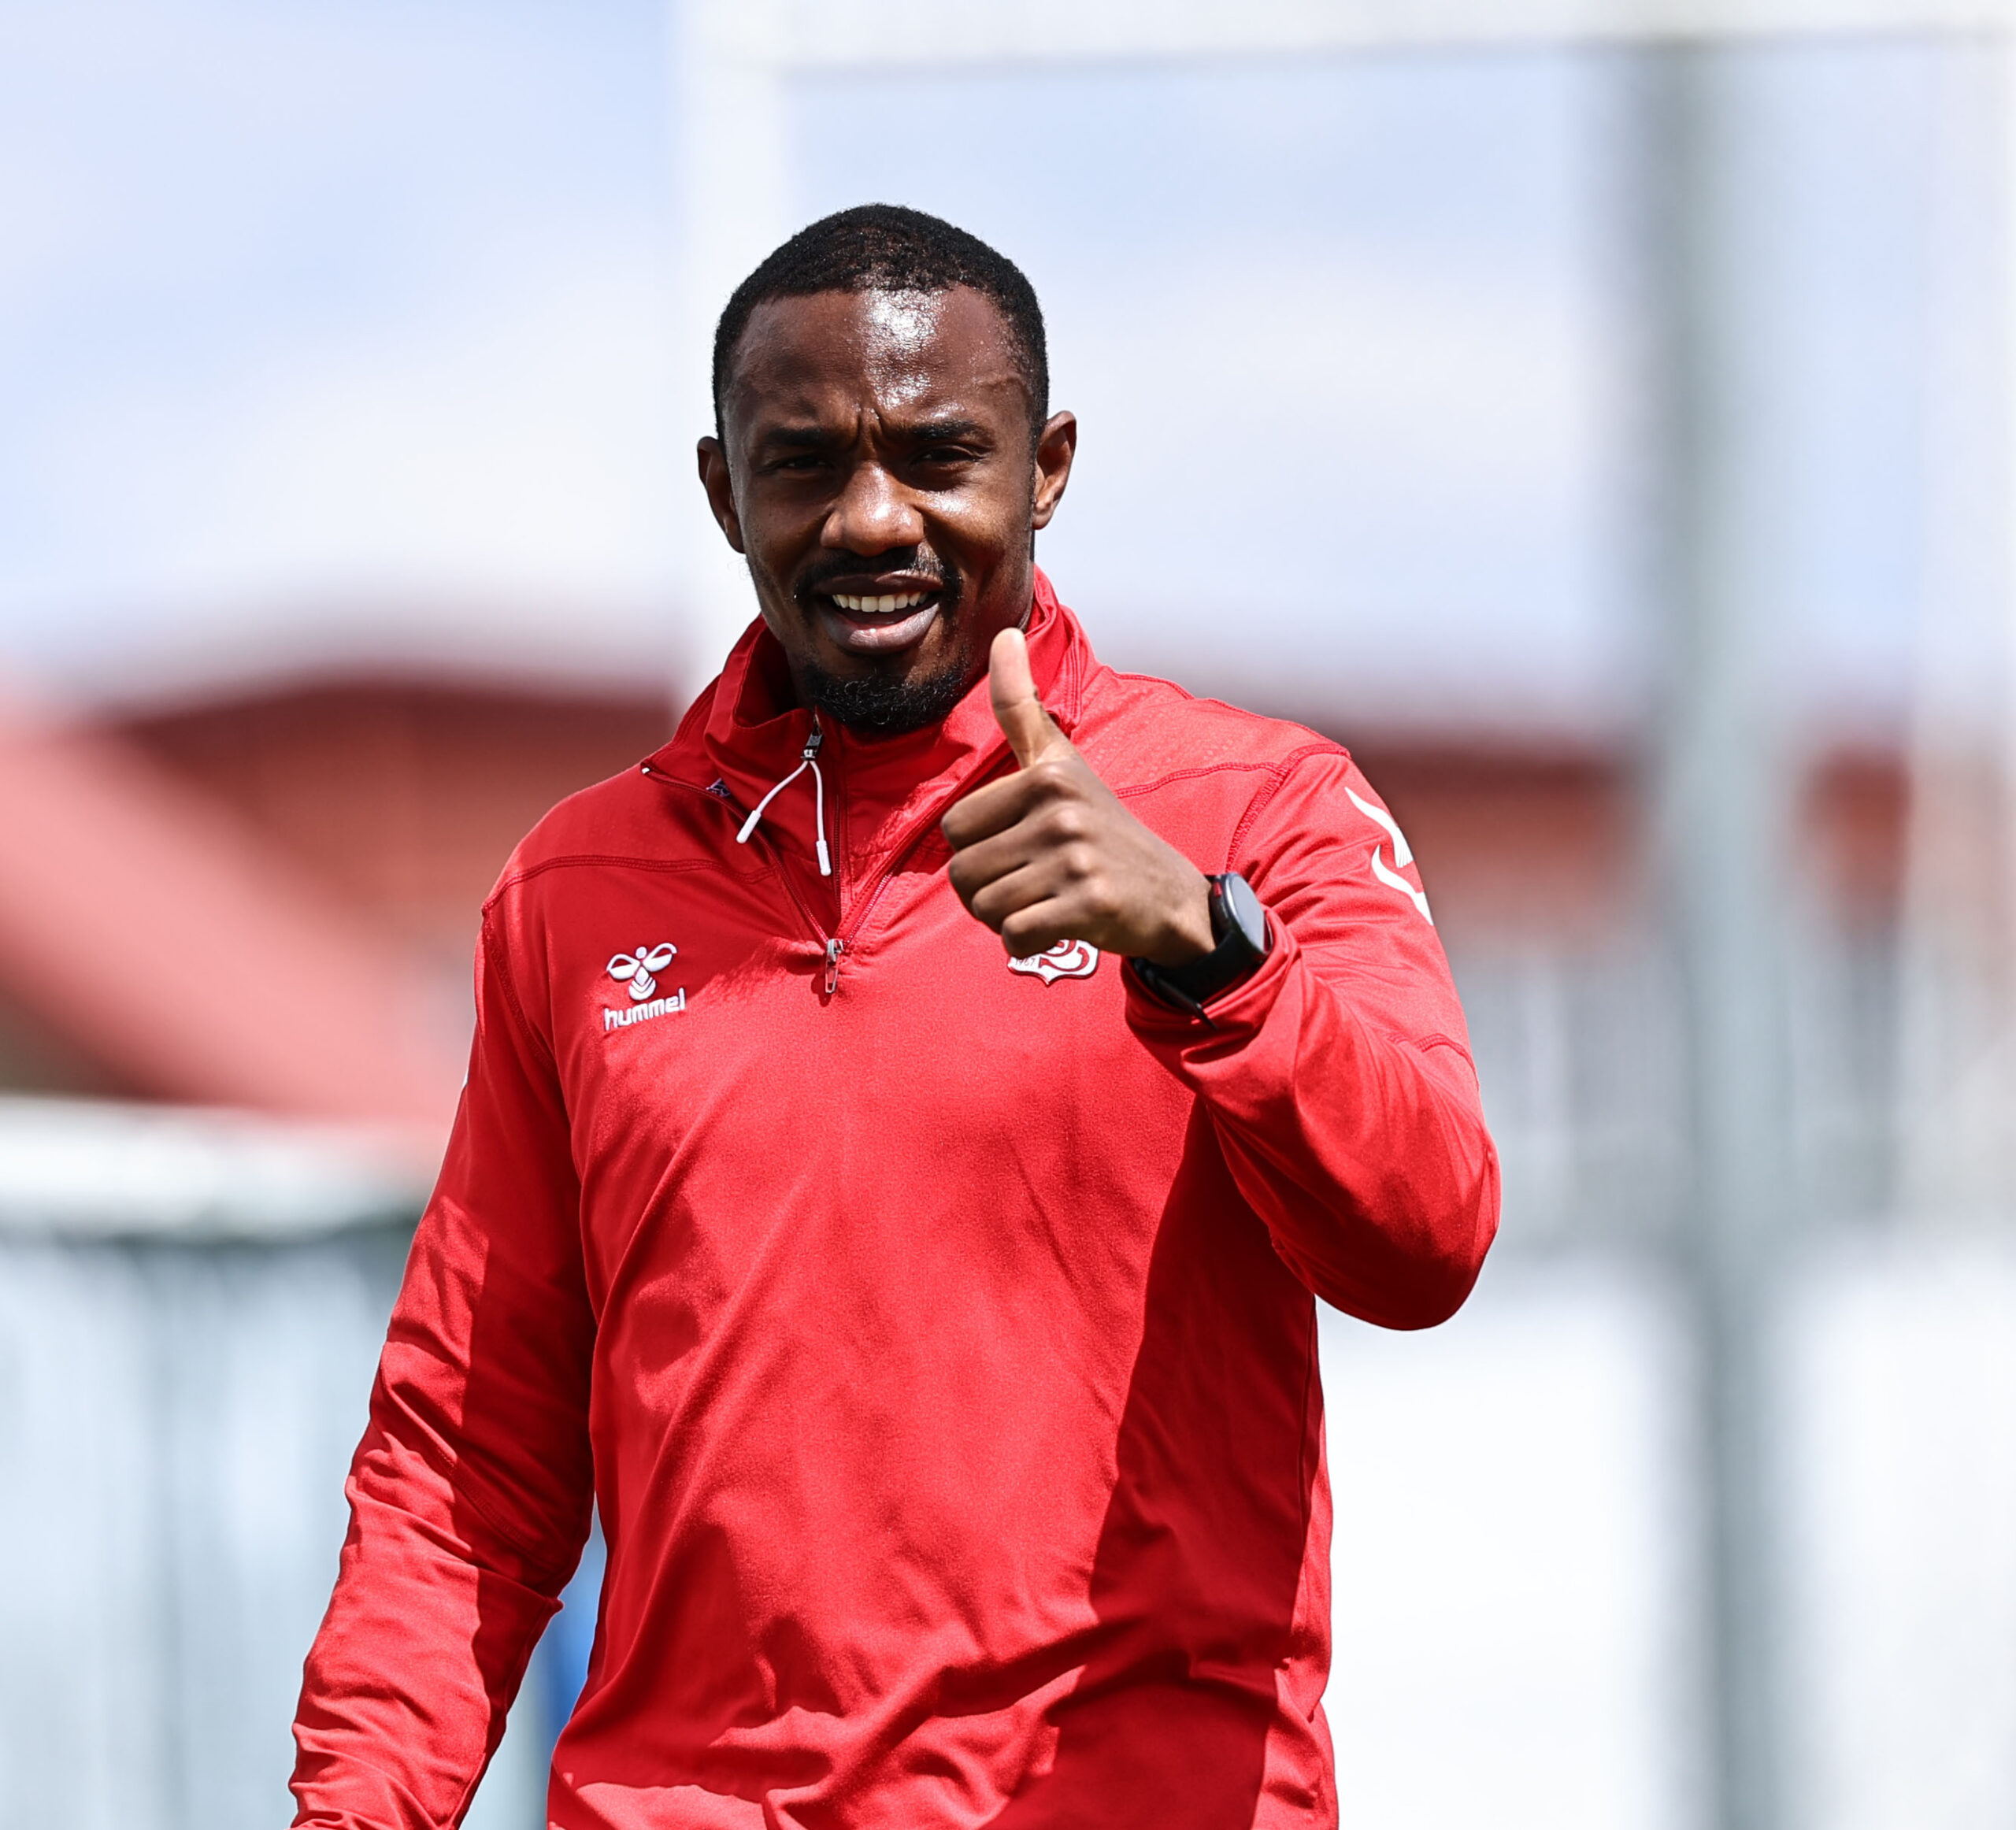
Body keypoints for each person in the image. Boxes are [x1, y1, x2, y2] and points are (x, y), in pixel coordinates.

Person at [291, 204, 1499, 1830]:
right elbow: (465, 1452)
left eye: (938, 456)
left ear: (1046, 468)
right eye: (802, 465)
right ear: (723, 490)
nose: (871, 519)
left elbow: (1425, 1241)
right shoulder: (572, 890)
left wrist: (1212, 953)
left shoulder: (1254, 809)